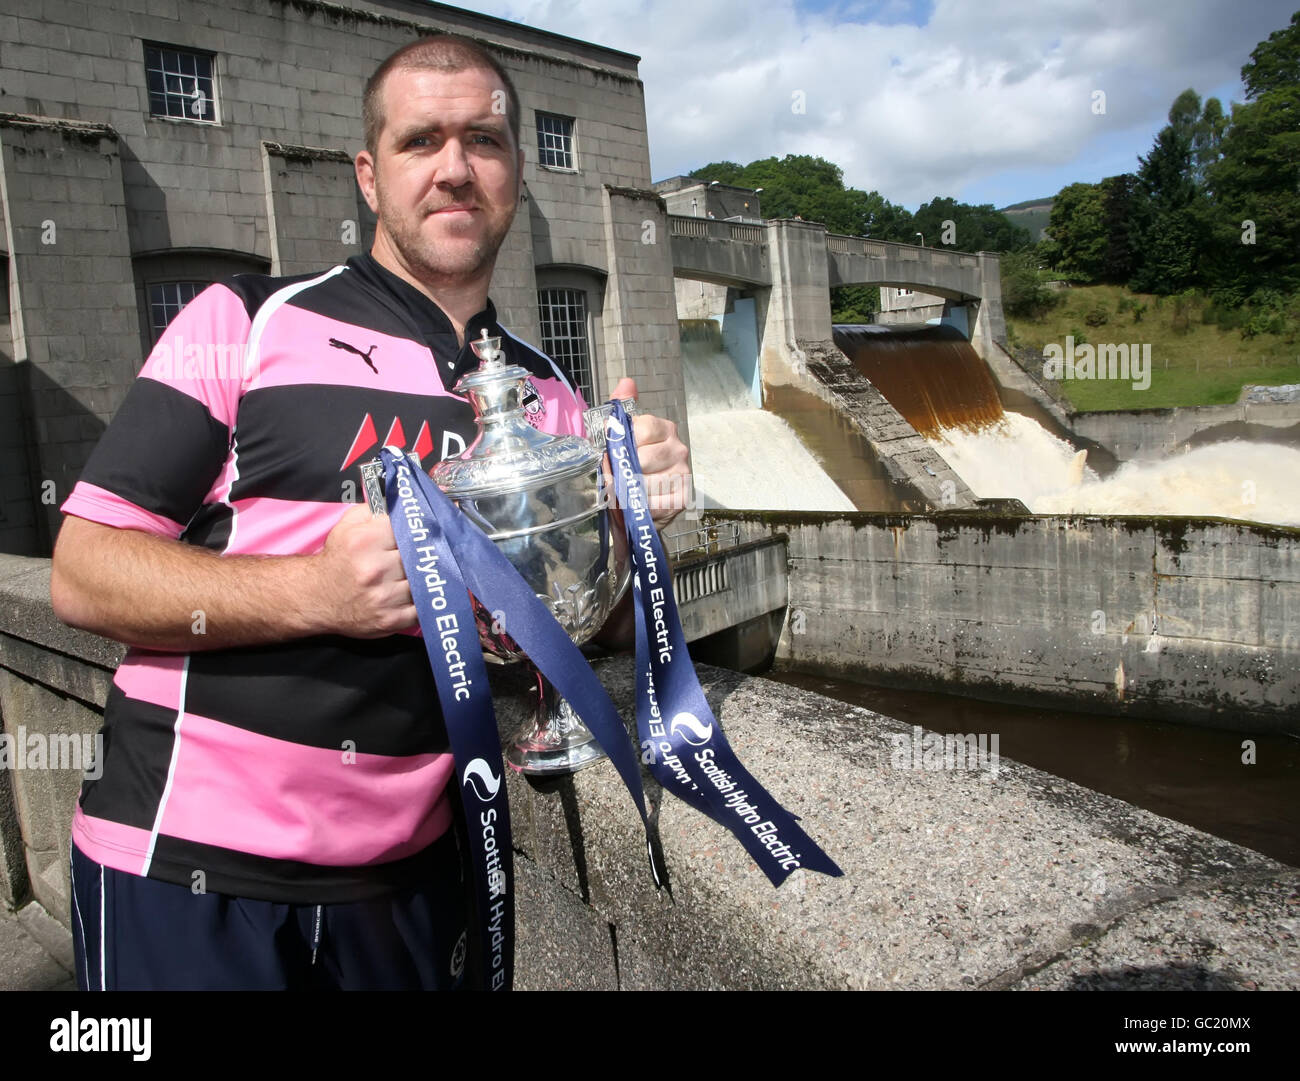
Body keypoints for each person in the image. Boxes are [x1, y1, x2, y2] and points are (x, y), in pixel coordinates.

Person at [49, 33, 689, 991]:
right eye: (420, 140)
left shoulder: (554, 399)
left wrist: (639, 516)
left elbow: (579, 627)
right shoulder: (243, 321)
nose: (455, 169)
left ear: (516, 169)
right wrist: (313, 591)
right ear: (368, 173)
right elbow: (83, 567)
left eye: (484, 140)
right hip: (185, 873)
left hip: (418, 888)